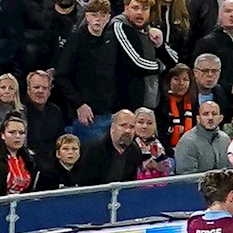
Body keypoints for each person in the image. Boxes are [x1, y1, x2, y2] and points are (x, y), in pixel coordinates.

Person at [55, 0, 119, 142]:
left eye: (102, 15)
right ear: (87, 17)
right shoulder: (76, 39)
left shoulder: (112, 39)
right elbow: (62, 75)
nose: (98, 19)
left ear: (108, 18)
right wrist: (79, 104)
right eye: (94, 15)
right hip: (85, 115)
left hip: (108, 112)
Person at [115, 0, 178, 111]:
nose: (140, 12)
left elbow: (174, 60)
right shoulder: (119, 25)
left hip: (152, 101)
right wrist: (160, 66)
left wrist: (160, 45)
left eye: (145, 8)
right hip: (126, 104)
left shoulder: (150, 28)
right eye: (135, 8)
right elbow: (136, 63)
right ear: (126, 7)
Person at [193, 0, 233, 106]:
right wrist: (229, 87)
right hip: (218, 100)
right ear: (220, 15)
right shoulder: (206, 43)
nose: (232, 15)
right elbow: (200, 75)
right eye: (228, 11)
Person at [77, 108, 144, 186]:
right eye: (123, 125)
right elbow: (86, 184)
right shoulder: (94, 150)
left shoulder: (135, 150)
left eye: (132, 127)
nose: (127, 131)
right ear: (112, 127)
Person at [23, 70, 65, 167]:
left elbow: (60, 141)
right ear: (28, 90)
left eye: (44, 88)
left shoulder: (56, 111)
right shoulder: (20, 110)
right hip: (27, 161)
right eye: (36, 87)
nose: (40, 91)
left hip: (51, 162)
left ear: (49, 92)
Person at [175, 100, 231, 173]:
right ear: (198, 118)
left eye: (214, 114)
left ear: (221, 118)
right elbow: (186, 175)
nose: (210, 118)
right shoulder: (187, 141)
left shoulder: (226, 139)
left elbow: (231, 169)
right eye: (205, 114)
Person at [158, 62, 196, 148]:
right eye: (176, 79)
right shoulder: (161, 103)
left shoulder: (194, 103)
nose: (181, 83)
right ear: (169, 82)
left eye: (185, 79)